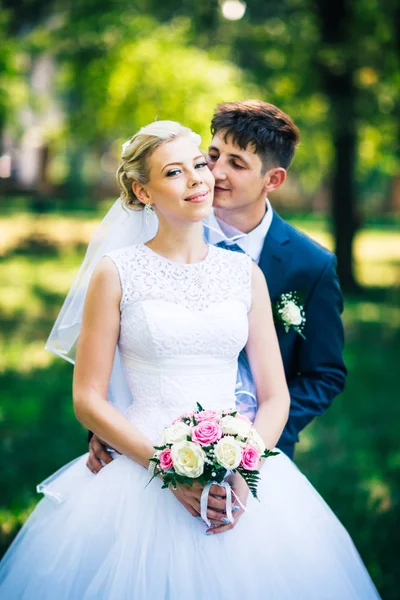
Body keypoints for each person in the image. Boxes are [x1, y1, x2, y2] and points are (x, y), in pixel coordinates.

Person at [0, 121, 379, 598]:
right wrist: (167, 469)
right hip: (141, 468)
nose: (202, 177)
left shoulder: (245, 273)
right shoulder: (116, 273)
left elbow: (275, 392)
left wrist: (244, 468)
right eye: (176, 172)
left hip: (240, 461)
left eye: (200, 164)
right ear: (143, 191)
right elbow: (88, 397)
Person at [88, 100, 346, 477]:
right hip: (147, 447)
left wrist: (248, 445)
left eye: (237, 164)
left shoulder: (310, 265)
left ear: (272, 180)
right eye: (212, 155)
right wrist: (111, 429)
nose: (215, 172)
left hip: (256, 449)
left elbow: (325, 373)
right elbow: (117, 351)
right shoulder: (166, 220)